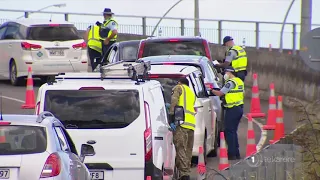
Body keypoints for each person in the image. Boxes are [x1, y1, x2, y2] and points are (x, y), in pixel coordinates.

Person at [210, 66, 244, 160]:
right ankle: (236, 153)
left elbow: (221, 93)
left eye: (226, 72)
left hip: (232, 109)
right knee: (233, 131)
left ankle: (232, 154)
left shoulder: (231, 83)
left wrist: (211, 90)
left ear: (230, 73)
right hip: (239, 108)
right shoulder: (239, 81)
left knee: (229, 131)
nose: (225, 75)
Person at [169, 78, 196, 180]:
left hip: (181, 124)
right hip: (191, 124)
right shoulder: (191, 93)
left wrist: (171, 116)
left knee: (180, 149)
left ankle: (184, 175)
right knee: (187, 151)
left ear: (179, 82)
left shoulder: (178, 87)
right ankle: (184, 172)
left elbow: (174, 101)